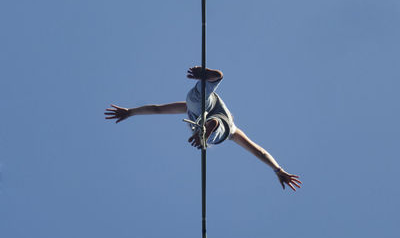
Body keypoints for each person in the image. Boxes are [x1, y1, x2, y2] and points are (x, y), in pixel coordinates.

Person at [104, 66, 302, 191]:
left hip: (201, 108)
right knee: (210, 120)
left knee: (199, 104)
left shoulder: (194, 111)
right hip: (206, 112)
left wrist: (131, 112)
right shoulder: (233, 130)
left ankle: (210, 95)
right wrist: (277, 169)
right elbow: (258, 151)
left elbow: (157, 109)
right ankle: (210, 93)